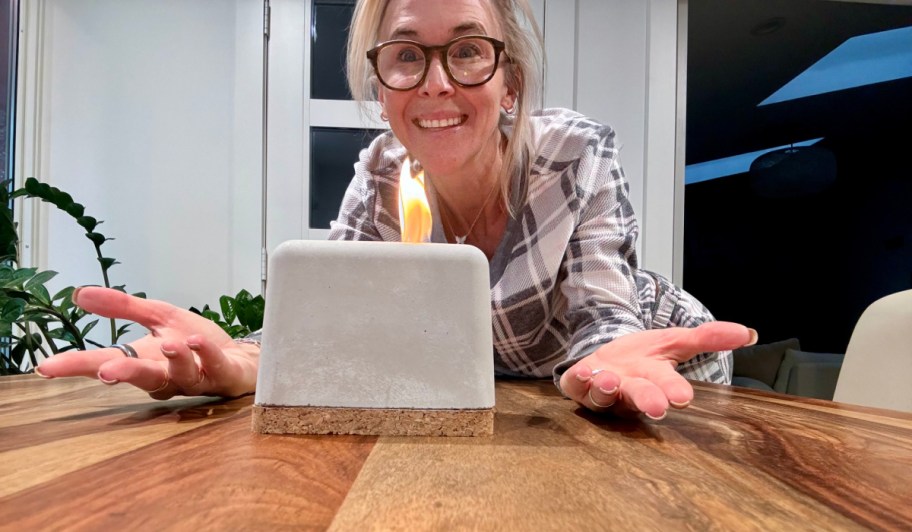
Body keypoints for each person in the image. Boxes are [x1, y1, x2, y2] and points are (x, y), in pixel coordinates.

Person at [34, 0, 756, 420]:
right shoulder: (380, 173)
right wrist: (242, 359)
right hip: (516, 395)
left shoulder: (573, 150)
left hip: (655, 366)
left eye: (468, 51)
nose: (437, 84)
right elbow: (326, 326)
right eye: (407, 56)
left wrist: (600, 365)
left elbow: (607, 322)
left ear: (509, 84)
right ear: (382, 87)